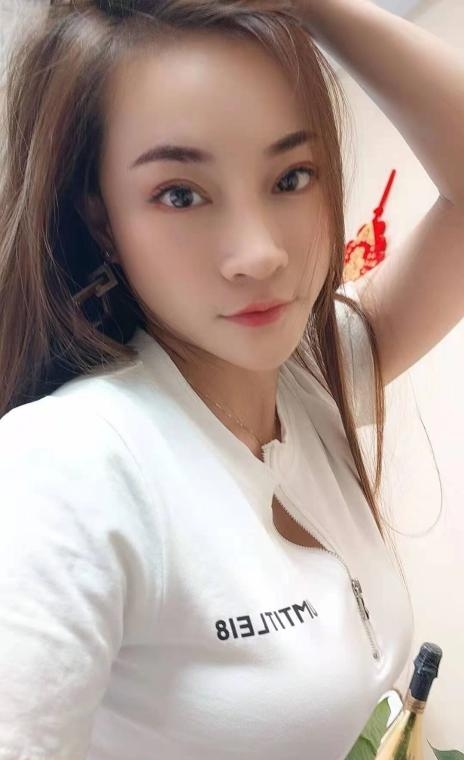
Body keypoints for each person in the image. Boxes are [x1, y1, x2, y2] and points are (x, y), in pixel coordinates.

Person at [0, 1, 463, 758]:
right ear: (101, 219)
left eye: (291, 176)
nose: (259, 254)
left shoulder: (311, 378)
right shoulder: (63, 468)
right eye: (180, 194)